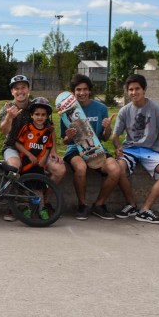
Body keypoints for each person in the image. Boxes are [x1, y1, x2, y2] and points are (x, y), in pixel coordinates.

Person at [0, 74, 66, 220]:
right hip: (13, 146)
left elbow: (50, 130)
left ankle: (44, 203)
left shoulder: (36, 106)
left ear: (28, 89)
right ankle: (15, 206)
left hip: (38, 148)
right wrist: (9, 117)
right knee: (14, 167)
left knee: (60, 169)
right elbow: (4, 131)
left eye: (23, 87)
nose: (20, 91)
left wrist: (53, 150)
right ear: (12, 91)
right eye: (16, 88)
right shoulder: (7, 108)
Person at [112, 74, 159, 224]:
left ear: (144, 89)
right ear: (127, 91)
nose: (134, 92)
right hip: (130, 150)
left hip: (150, 151)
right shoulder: (124, 111)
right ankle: (131, 205)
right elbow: (115, 135)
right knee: (118, 168)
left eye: (137, 89)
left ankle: (145, 210)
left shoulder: (155, 107)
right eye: (131, 89)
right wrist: (118, 147)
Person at [59, 74, 121, 221]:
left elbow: (105, 138)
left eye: (85, 89)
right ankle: (82, 205)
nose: (82, 93)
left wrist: (107, 128)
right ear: (73, 92)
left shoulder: (100, 108)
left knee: (115, 170)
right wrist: (69, 136)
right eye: (78, 90)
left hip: (97, 148)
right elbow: (65, 141)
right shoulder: (66, 111)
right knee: (81, 168)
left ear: (90, 90)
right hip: (75, 149)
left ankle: (99, 205)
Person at [11, 98, 56, 221]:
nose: (40, 117)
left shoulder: (47, 132)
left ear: (47, 116)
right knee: (26, 188)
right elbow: (18, 144)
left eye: (43, 115)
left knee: (38, 188)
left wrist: (44, 159)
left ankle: (42, 209)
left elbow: (48, 147)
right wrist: (29, 155)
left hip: (39, 165)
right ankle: (28, 209)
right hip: (27, 163)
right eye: (37, 114)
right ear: (32, 115)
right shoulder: (27, 128)